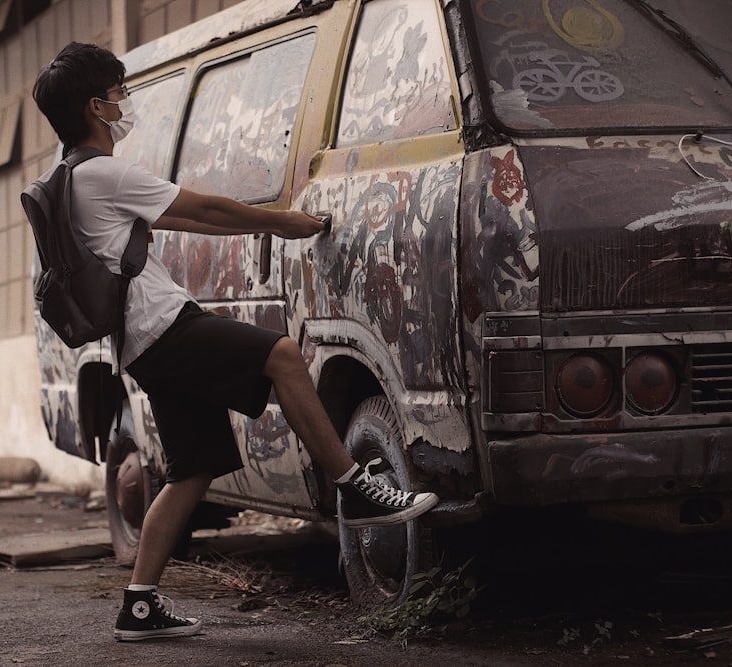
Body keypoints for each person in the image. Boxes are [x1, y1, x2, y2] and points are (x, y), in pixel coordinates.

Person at [31, 42, 439, 642]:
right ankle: (355, 486)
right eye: (119, 93)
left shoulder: (70, 181)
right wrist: (285, 222)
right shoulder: (106, 174)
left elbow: (188, 218)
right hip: (163, 326)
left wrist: (262, 221)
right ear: (96, 105)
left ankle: (139, 605)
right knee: (282, 355)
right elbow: (210, 206)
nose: (126, 104)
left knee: (191, 471)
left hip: (139, 343)